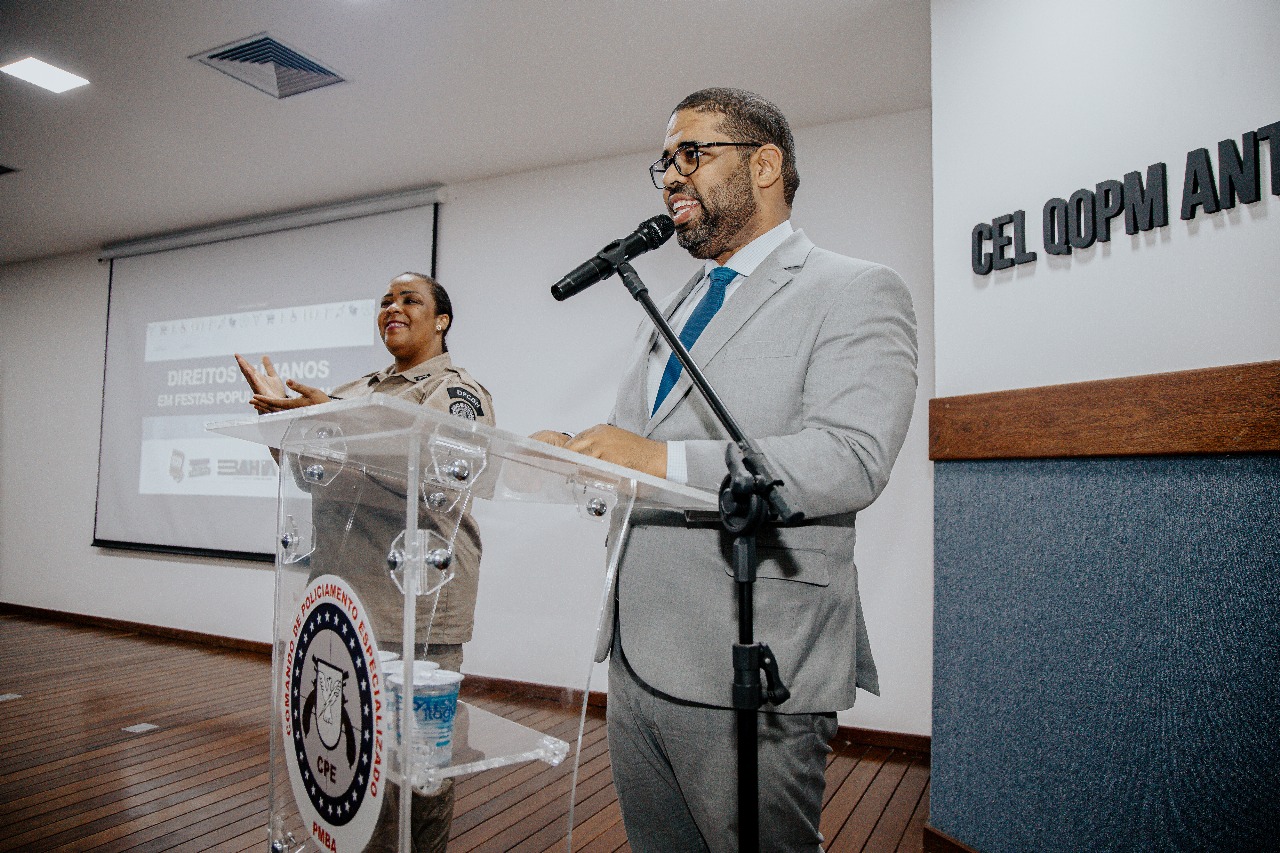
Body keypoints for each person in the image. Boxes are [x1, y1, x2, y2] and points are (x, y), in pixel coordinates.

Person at [532, 88, 917, 852]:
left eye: (693, 154)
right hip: (638, 657)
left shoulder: (854, 289)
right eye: (664, 163)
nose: (672, 175)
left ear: (766, 165)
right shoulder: (675, 301)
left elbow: (852, 457)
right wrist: (587, 457)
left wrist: (655, 457)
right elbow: (650, 445)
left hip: (753, 657)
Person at [237, 271, 494, 853]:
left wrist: (336, 420)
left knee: (416, 773)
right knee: (350, 758)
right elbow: (312, 473)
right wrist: (282, 426)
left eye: (409, 299)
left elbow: (440, 475)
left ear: (442, 320)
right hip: (342, 603)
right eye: (384, 301)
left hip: (413, 606)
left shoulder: (456, 391)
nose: (392, 308)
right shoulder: (358, 389)